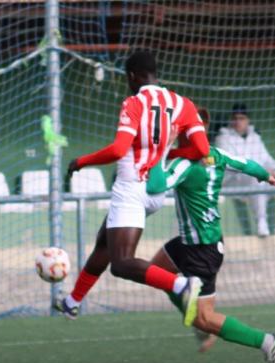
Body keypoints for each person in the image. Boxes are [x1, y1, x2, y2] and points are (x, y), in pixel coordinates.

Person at [57, 51, 211, 326]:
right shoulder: (182, 103)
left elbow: (118, 150)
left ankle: (182, 286)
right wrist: (171, 156)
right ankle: (72, 302)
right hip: (155, 191)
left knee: (121, 263)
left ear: (132, 76)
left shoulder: (134, 103)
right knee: (105, 241)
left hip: (130, 188)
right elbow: (202, 149)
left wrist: (81, 162)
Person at [145, 108, 275, 363]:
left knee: (206, 317)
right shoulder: (216, 154)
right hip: (195, 241)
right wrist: (264, 175)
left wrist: (160, 150)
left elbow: (155, 186)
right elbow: (246, 163)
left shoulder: (185, 165)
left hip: (202, 251)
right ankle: (193, 312)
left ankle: (269, 342)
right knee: (156, 270)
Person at [216, 103, 275, 240]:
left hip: (259, 181)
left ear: (247, 120)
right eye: (235, 118)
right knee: (256, 176)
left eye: (242, 118)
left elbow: (267, 159)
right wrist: (263, 171)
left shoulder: (254, 137)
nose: (238, 121)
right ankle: (261, 222)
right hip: (233, 182)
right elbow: (232, 165)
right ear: (231, 120)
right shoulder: (223, 138)